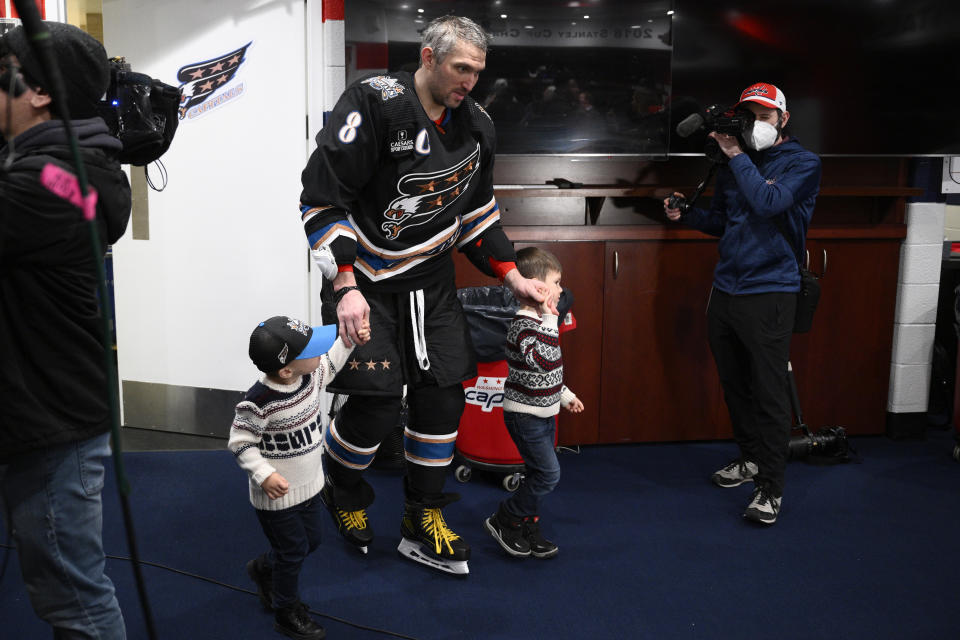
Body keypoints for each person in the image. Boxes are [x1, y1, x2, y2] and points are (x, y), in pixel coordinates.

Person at [298, 15, 545, 575]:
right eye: (461, 68)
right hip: (364, 282)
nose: (470, 81)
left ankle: (422, 513)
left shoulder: (477, 125)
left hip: (430, 285)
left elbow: (479, 218)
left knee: (442, 396)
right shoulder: (373, 103)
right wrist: (344, 286)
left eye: (478, 72)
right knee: (378, 405)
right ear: (428, 58)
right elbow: (321, 201)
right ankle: (342, 486)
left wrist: (514, 278)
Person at [0, 22, 132, 639]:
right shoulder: (58, 168)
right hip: (37, 409)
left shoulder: (59, 182)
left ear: (39, 92)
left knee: (75, 601)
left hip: (50, 423)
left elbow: (51, 195)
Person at [663, 82, 821, 525]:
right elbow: (724, 221)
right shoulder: (737, 162)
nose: (755, 124)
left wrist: (737, 156)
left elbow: (769, 202)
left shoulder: (802, 162)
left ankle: (770, 488)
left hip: (770, 290)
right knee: (735, 385)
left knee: (769, 393)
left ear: (783, 120)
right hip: (726, 290)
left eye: (765, 116)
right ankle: (750, 460)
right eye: (749, 115)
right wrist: (687, 214)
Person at [229, 315, 369, 640]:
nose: (319, 353)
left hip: (310, 486)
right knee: (293, 551)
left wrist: (351, 337)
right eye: (310, 350)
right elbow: (241, 443)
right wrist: (263, 474)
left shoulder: (311, 377)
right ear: (286, 370)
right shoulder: (258, 404)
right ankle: (286, 611)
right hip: (275, 499)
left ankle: (264, 569)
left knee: (312, 542)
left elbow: (333, 359)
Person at [484, 247, 583, 559]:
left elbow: (550, 373)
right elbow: (542, 359)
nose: (561, 290)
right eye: (556, 283)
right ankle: (506, 517)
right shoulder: (523, 324)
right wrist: (551, 321)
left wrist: (565, 396)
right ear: (538, 288)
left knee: (536, 473)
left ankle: (528, 524)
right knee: (548, 475)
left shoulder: (540, 321)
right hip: (525, 416)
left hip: (544, 413)